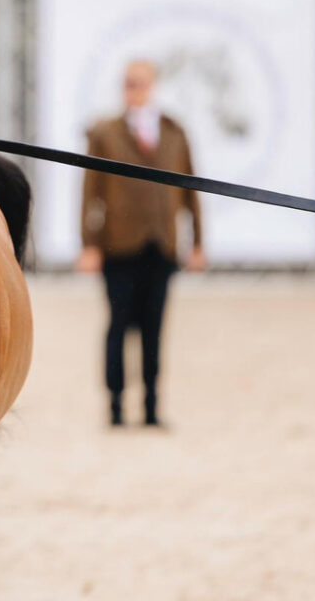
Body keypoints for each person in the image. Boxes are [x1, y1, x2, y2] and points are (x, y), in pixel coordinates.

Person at [78, 58, 205, 428]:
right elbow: (89, 191)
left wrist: (197, 241)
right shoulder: (105, 132)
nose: (135, 90)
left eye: (141, 83)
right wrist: (89, 244)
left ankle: (151, 406)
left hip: (161, 245)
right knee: (118, 325)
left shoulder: (174, 132)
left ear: (153, 85)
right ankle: (116, 406)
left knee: (154, 328)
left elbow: (191, 188)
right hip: (118, 245)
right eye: (129, 83)